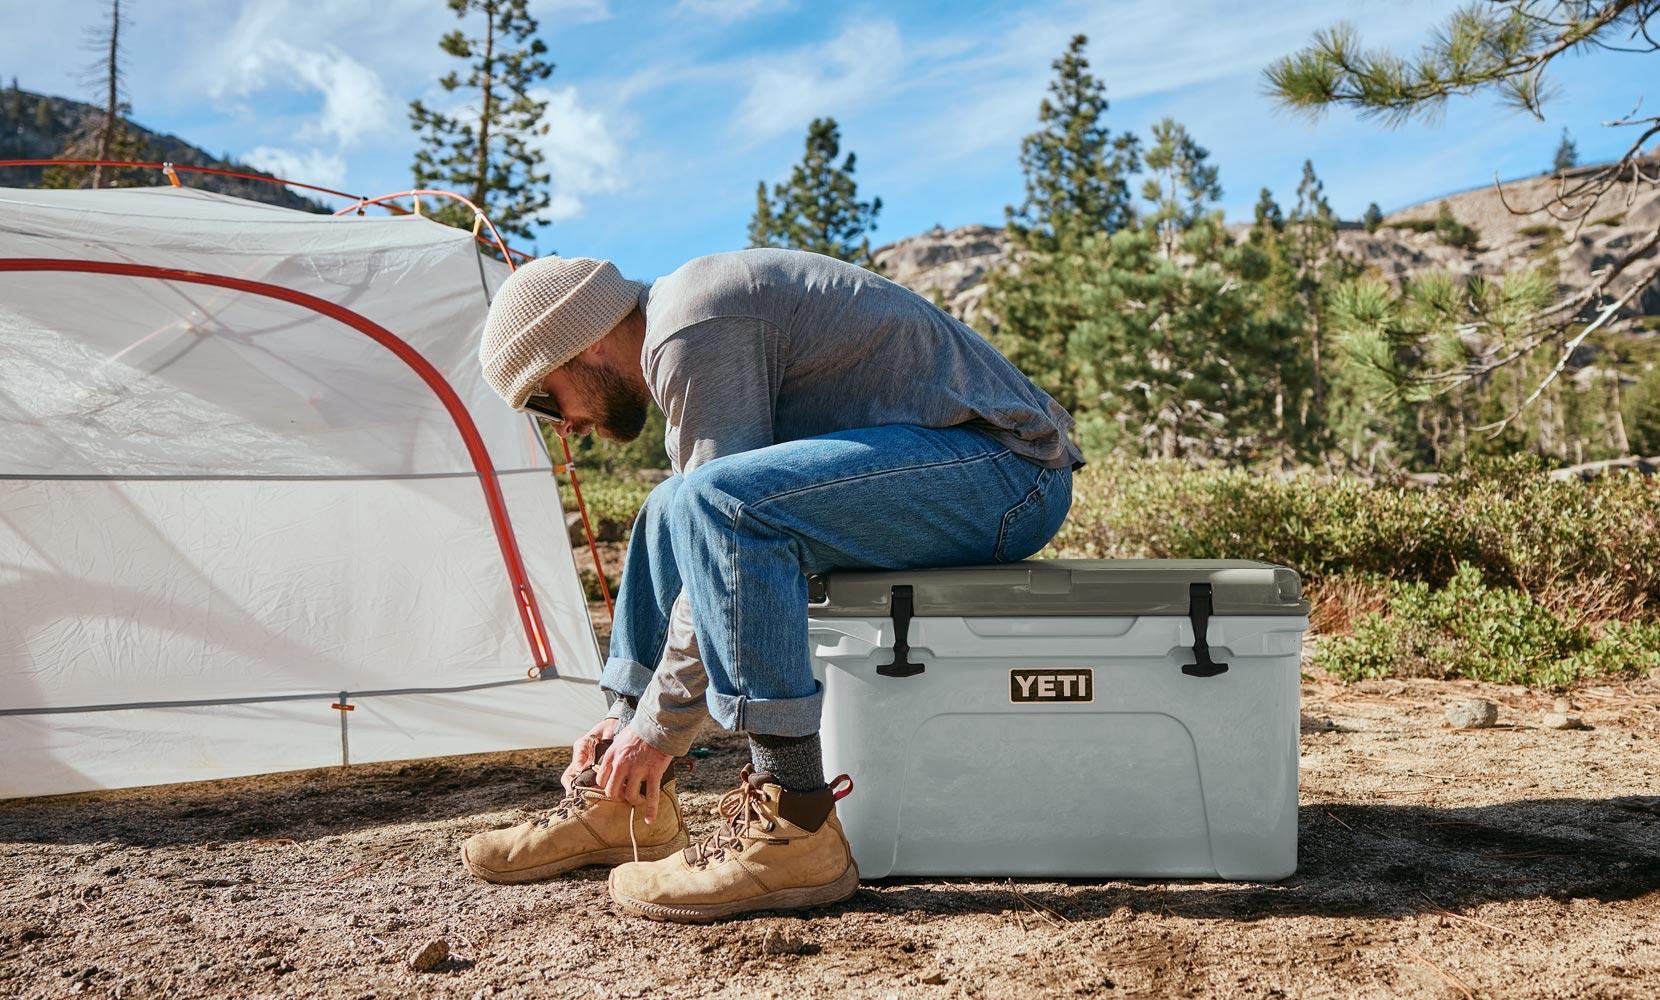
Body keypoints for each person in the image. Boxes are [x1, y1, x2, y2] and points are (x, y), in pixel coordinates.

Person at [460, 248, 1080, 922]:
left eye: (548, 401)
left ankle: (796, 823)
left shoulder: (690, 328)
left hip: (1009, 473)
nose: (567, 428)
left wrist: (659, 729)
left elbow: (724, 534)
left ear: (588, 340)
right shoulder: (682, 321)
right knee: (669, 509)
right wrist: (627, 722)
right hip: (961, 469)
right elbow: (696, 534)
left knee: (716, 504)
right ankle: (625, 800)